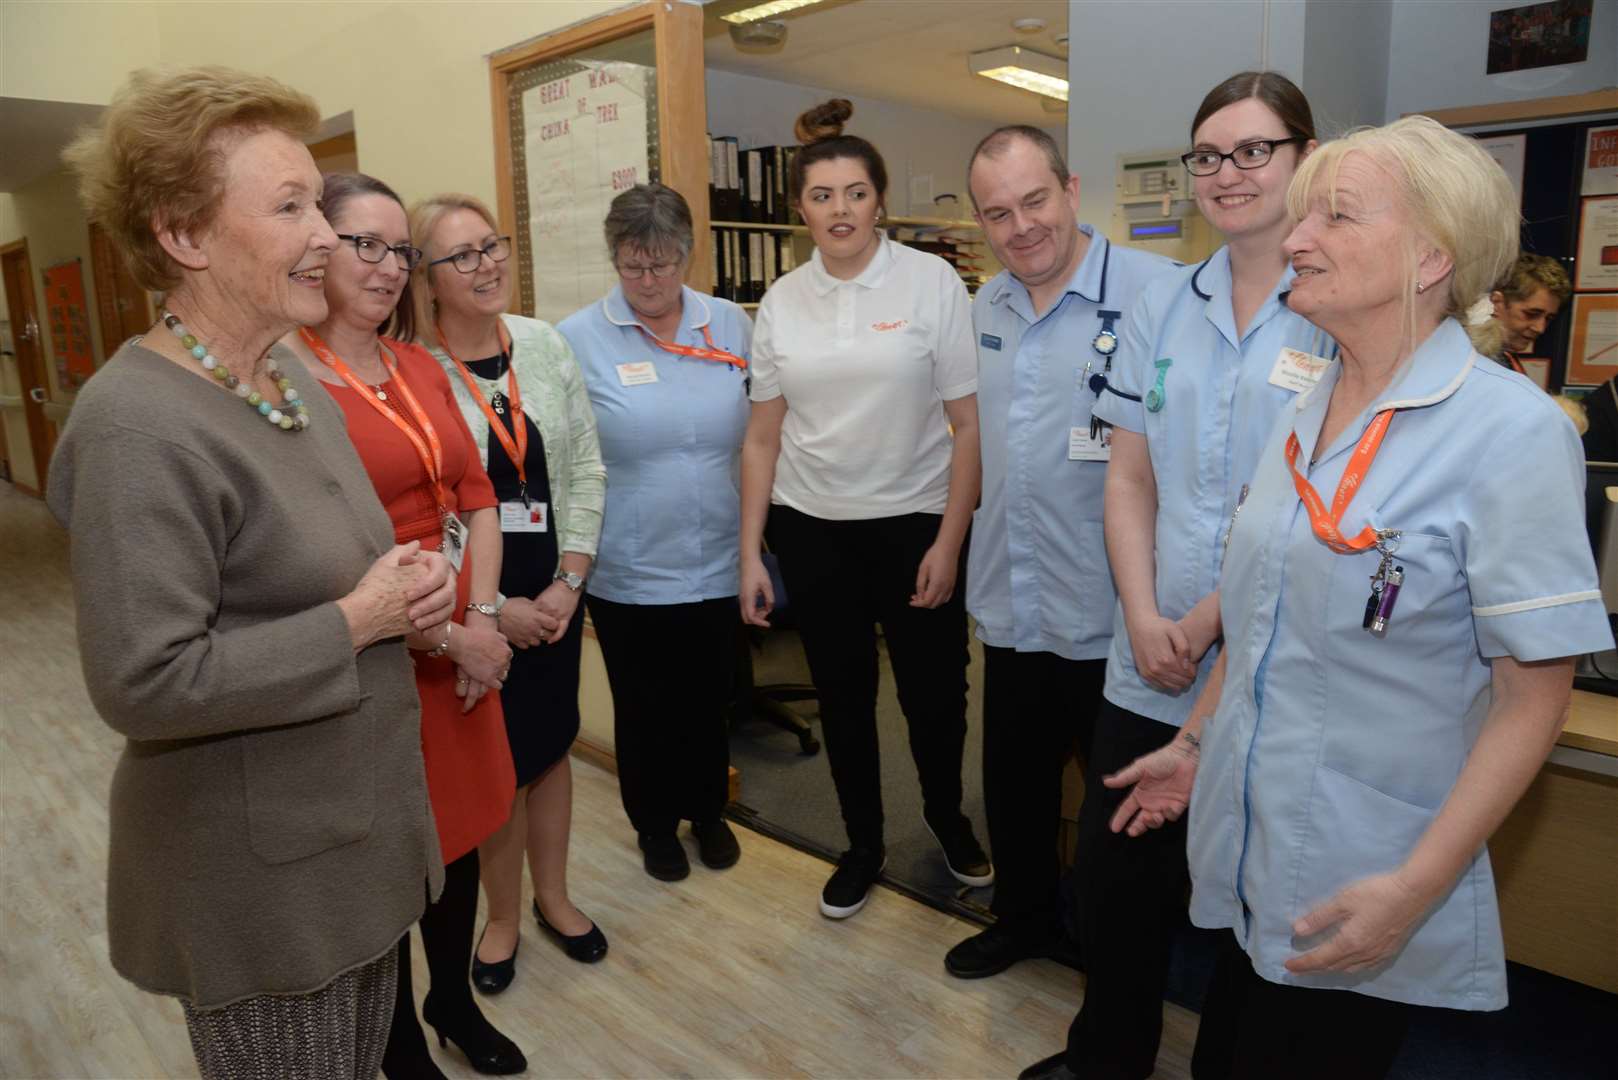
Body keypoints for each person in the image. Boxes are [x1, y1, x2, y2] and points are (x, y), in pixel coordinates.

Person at [1106, 115, 1614, 1079]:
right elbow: (1261, 621)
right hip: (1256, 826)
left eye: (1335, 216)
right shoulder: (1307, 407)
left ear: (1433, 256)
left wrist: (1417, 888)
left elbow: (1533, 698)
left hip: (1367, 862)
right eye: (1303, 217)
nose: (1296, 239)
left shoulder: (1512, 434)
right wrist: (1195, 743)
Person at [50, 67, 455, 1079]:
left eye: (317, 200)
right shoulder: (136, 426)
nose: (326, 232)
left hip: (346, 847)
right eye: (290, 206)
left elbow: (317, 569)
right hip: (263, 888)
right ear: (183, 235)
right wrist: (361, 621)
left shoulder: (286, 379)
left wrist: (403, 590)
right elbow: (146, 681)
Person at [1019, 72, 1327, 1080]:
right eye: (1208, 154)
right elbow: (1128, 476)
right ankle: (1107, 1054)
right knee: (1114, 881)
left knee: (1250, 885)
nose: (1227, 173)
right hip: (1145, 648)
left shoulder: (1331, 310)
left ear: (1302, 157)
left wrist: (1202, 623)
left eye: (1254, 150)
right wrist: (1147, 614)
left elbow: (1305, 507)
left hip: (1265, 651)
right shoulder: (1166, 302)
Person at [280, 174, 523, 1077]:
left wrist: (485, 621)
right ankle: (397, 1045)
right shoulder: (288, 381)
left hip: (463, 647)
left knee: (457, 844)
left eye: (400, 251)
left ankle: (451, 998)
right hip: (380, 655)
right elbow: (325, 558)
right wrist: (452, 638)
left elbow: (476, 493)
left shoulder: (420, 366)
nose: (387, 269)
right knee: (387, 864)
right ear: (315, 246)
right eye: (364, 245)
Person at [739, 98, 990, 921]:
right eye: (821, 195)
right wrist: (751, 554)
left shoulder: (931, 281)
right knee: (844, 696)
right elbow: (762, 440)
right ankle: (861, 844)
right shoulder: (781, 301)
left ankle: (947, 821)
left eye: (854, 193)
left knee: (933, 695)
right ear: (800, 208)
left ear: (877, 201)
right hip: (813, 530)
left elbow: (965, 426)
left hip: (916, 523)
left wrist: (950, 541)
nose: (838, 209)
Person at [945, 126, 1175, 980]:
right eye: (997, 214)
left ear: (1072, 189)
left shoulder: (1159, 295)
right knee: (1014, 786)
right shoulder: (988, 305)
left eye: (1034, 201)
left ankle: (1116, 963)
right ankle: (1024, 918)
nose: (1021, 227)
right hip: (1015, 596)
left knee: (1124, 809)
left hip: (1119, 611)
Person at [412, 193, 609, 984]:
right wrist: (488, 610)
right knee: (503, 761)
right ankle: (500, 918)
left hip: (557, 590)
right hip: (482, 605)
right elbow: (425, 516)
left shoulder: (544, 344)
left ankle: (553, 897)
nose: (486, 263)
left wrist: (569, 582)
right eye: (462, 254)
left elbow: (587, 466)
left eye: (490, 245)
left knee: (553, 747)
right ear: (424, 279)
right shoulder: (415, 371)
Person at [558, 183, 753, 882]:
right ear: (614, 258)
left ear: (687, 255)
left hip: (718, 555)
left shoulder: (729, 324)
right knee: (644, 707)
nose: (649, 281)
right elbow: (571, 457)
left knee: (708, 697)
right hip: (630, 566)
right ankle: (654, 824)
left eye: (664, 264)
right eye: (633, 265)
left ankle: (707, 811)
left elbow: (759, 436)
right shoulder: (578, 338)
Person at [1488, 252, 1572, 372]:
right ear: (1496, 303)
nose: (1540, 328)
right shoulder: (1468, 361)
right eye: (1531, 314)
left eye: (1548, 318)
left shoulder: (1506, 358)